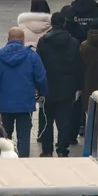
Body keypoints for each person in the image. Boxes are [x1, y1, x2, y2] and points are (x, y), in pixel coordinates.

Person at [0, 28, 46, 158]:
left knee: (5, 134)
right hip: (25, 103)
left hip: (6, 103)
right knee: (24, 136)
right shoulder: (31, 55)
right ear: (22, 40)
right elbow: (41, 76)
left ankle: (4, 158)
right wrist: (42, 92)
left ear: (8, 38)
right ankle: (23, 160)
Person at [36, 12, 81, 156]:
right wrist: (78, 86)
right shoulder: (74, 42)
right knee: (64, 122)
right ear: (65, 23)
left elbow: (38, 66)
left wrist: (38, 86)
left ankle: (47, 151)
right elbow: (78, 66)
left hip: (47, 86)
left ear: (52, 23)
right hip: (67, 87)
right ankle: (62, 149)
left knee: (47, 121)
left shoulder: (43, 41)